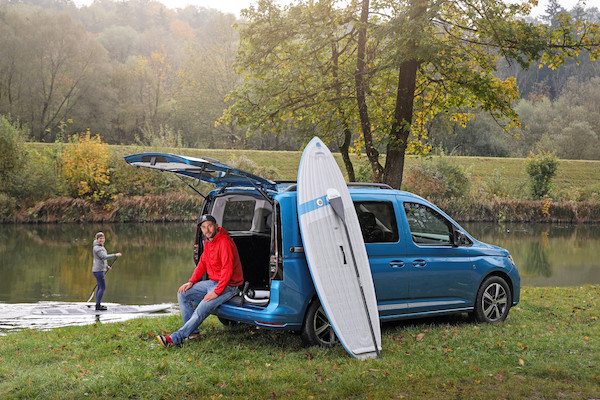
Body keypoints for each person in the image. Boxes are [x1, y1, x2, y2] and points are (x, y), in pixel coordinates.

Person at [157, 214, 244, 348]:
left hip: (229, 285)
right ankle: (193, 333)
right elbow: (202, 264)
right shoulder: (209, 242)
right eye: (203, 227)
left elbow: (228, 270)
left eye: (209, 225)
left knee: (202, 307)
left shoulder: (224, 242)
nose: (207, 229)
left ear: (216, 226)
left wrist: (216, 292)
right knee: (183, 293)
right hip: (213, 282)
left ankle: (174, 339)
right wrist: (191, 282)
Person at [92, 232, 122, 311]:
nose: (102, 240)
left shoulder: (100, 247)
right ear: (97, 239)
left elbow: (101, 259)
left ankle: (98, 304)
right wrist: (115, 255)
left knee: (100, 287)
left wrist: (106, 266)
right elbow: (104, 257)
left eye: (103, 238)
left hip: (99, 270)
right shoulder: (97, 248)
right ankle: (98, 306)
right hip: (98, 271)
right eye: (100, 238)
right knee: (102, 287)